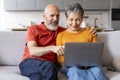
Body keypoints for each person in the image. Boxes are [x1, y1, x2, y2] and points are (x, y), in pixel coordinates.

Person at [19, 4, 96, 80]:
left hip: (48, 66)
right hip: (29, 62)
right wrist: (52, 48)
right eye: (52, 15)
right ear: (44, 16)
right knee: (50, 67)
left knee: (37, 77)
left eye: (57, 16)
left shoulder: (62, 31)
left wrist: (89, 29)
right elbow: (33, 51)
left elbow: (75, 29)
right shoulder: (33, 29)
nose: (55, 19)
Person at [56, 3, 109, 80]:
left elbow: (97, 54)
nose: (74, 23)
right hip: (70, 67)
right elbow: (60, 59)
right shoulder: (61, 35)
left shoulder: (90, 32)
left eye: (78, 20)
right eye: (71, 19)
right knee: (75, 72)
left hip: (90, 65)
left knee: (98, 71)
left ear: (82, 19)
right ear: (66, 19)